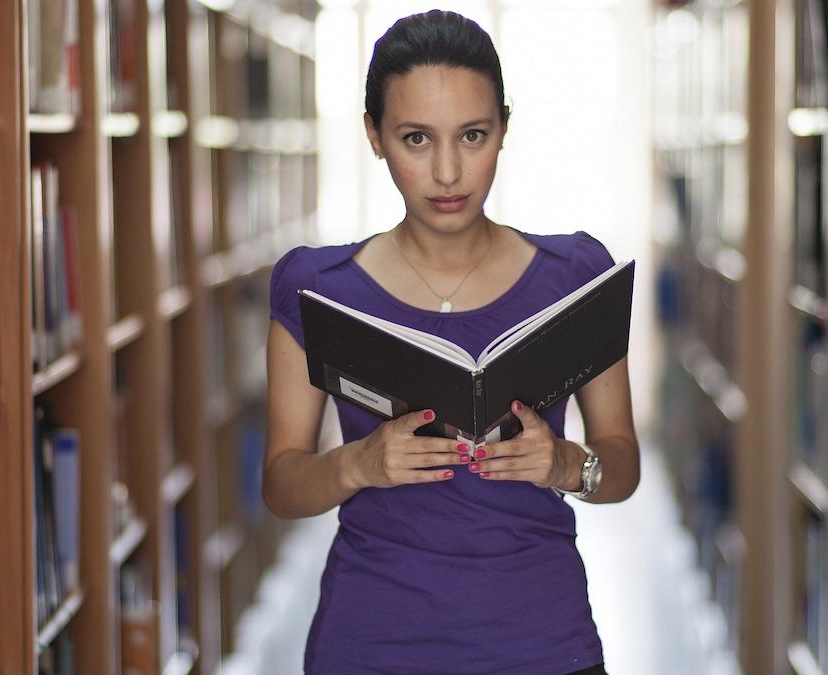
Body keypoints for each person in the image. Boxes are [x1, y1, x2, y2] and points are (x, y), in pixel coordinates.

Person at [264, 9, 639, 674]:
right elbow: (280, 483)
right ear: (374, 136)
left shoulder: (576, 275)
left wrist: (566, 465)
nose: (447, 172)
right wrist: (359, 465)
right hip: (372, 641)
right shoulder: (315, 289)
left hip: (542, 641)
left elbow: (623, 465)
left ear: (504, 129)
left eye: (472, 135)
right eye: (415, 138)